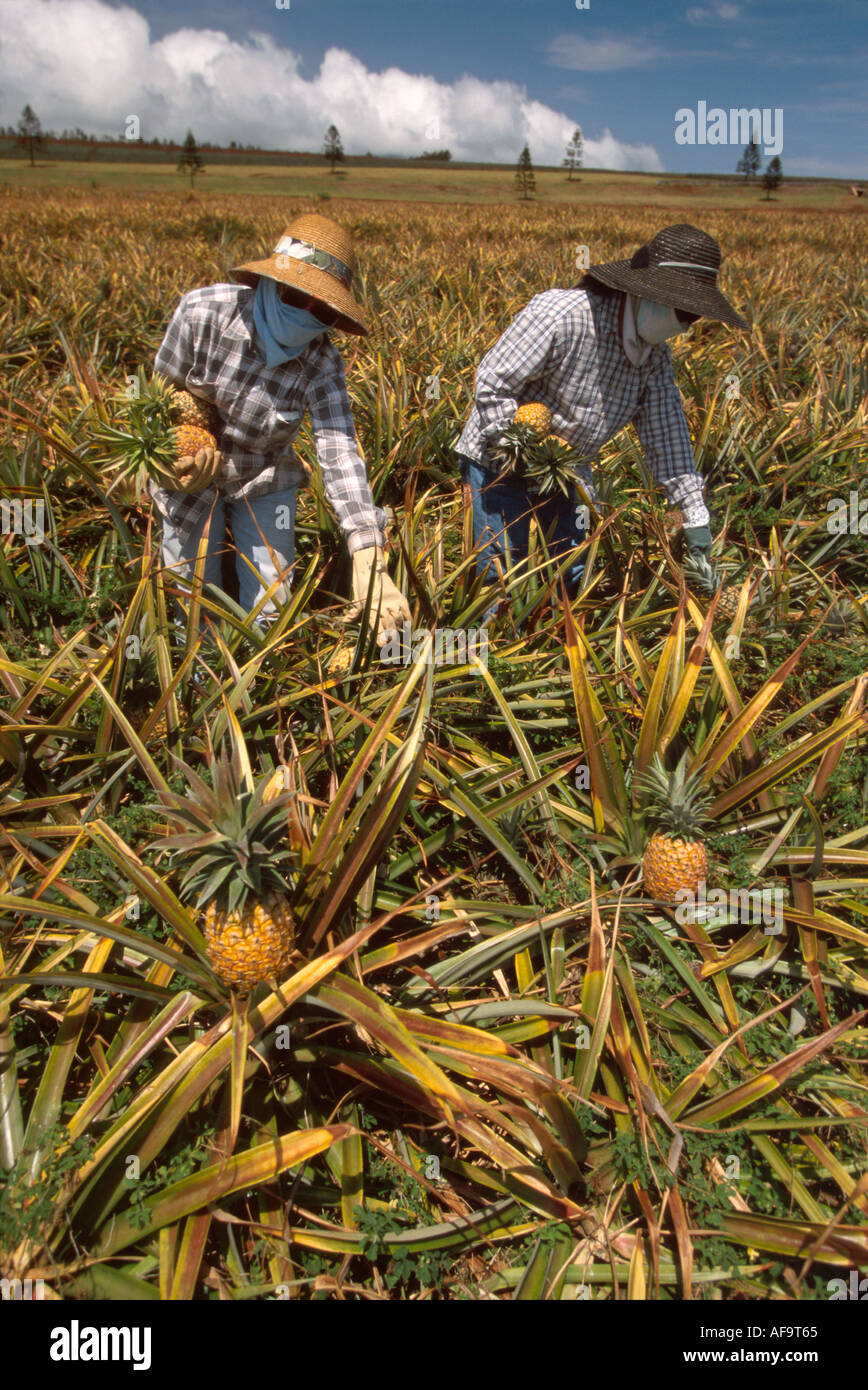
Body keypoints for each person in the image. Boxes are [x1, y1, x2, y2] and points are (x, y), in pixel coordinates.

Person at [150, 212, 412, 641]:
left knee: (272, 611)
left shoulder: (322, 362)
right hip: (191, 475)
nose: (307, 313)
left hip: (265, 477)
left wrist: (368, 553)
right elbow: (156, 400)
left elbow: (339, 451)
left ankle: (258, 682)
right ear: (269, 283)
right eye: (295, 295)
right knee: (191, 596)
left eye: (321, 307)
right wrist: (163, 462)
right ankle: (194, 679)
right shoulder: (202, 314)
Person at [456, 223, 748, 605]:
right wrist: (524, 447)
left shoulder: (654, 356)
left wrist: (694, 511)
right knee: (500, 572)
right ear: (648, 291)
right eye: (683, 308)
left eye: (694, 314)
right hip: (498, 459)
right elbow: (494, 381)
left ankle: (554, 649)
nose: (686, 322)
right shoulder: (563, 314)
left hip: (568, 471)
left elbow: (667, 433)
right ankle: (492, 653)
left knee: (570, 569)